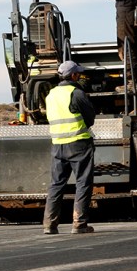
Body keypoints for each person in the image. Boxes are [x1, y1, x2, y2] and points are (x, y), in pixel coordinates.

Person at [43, 60, 96, 235]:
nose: (79, 76)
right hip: (79, 143)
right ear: (73, 75)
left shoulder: (51, 95)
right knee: (82, 182)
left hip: (58, 145)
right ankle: (79, 223)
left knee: (56, 184)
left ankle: (49, 225)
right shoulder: (76, 93)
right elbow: (90, 118)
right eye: (78, 73)